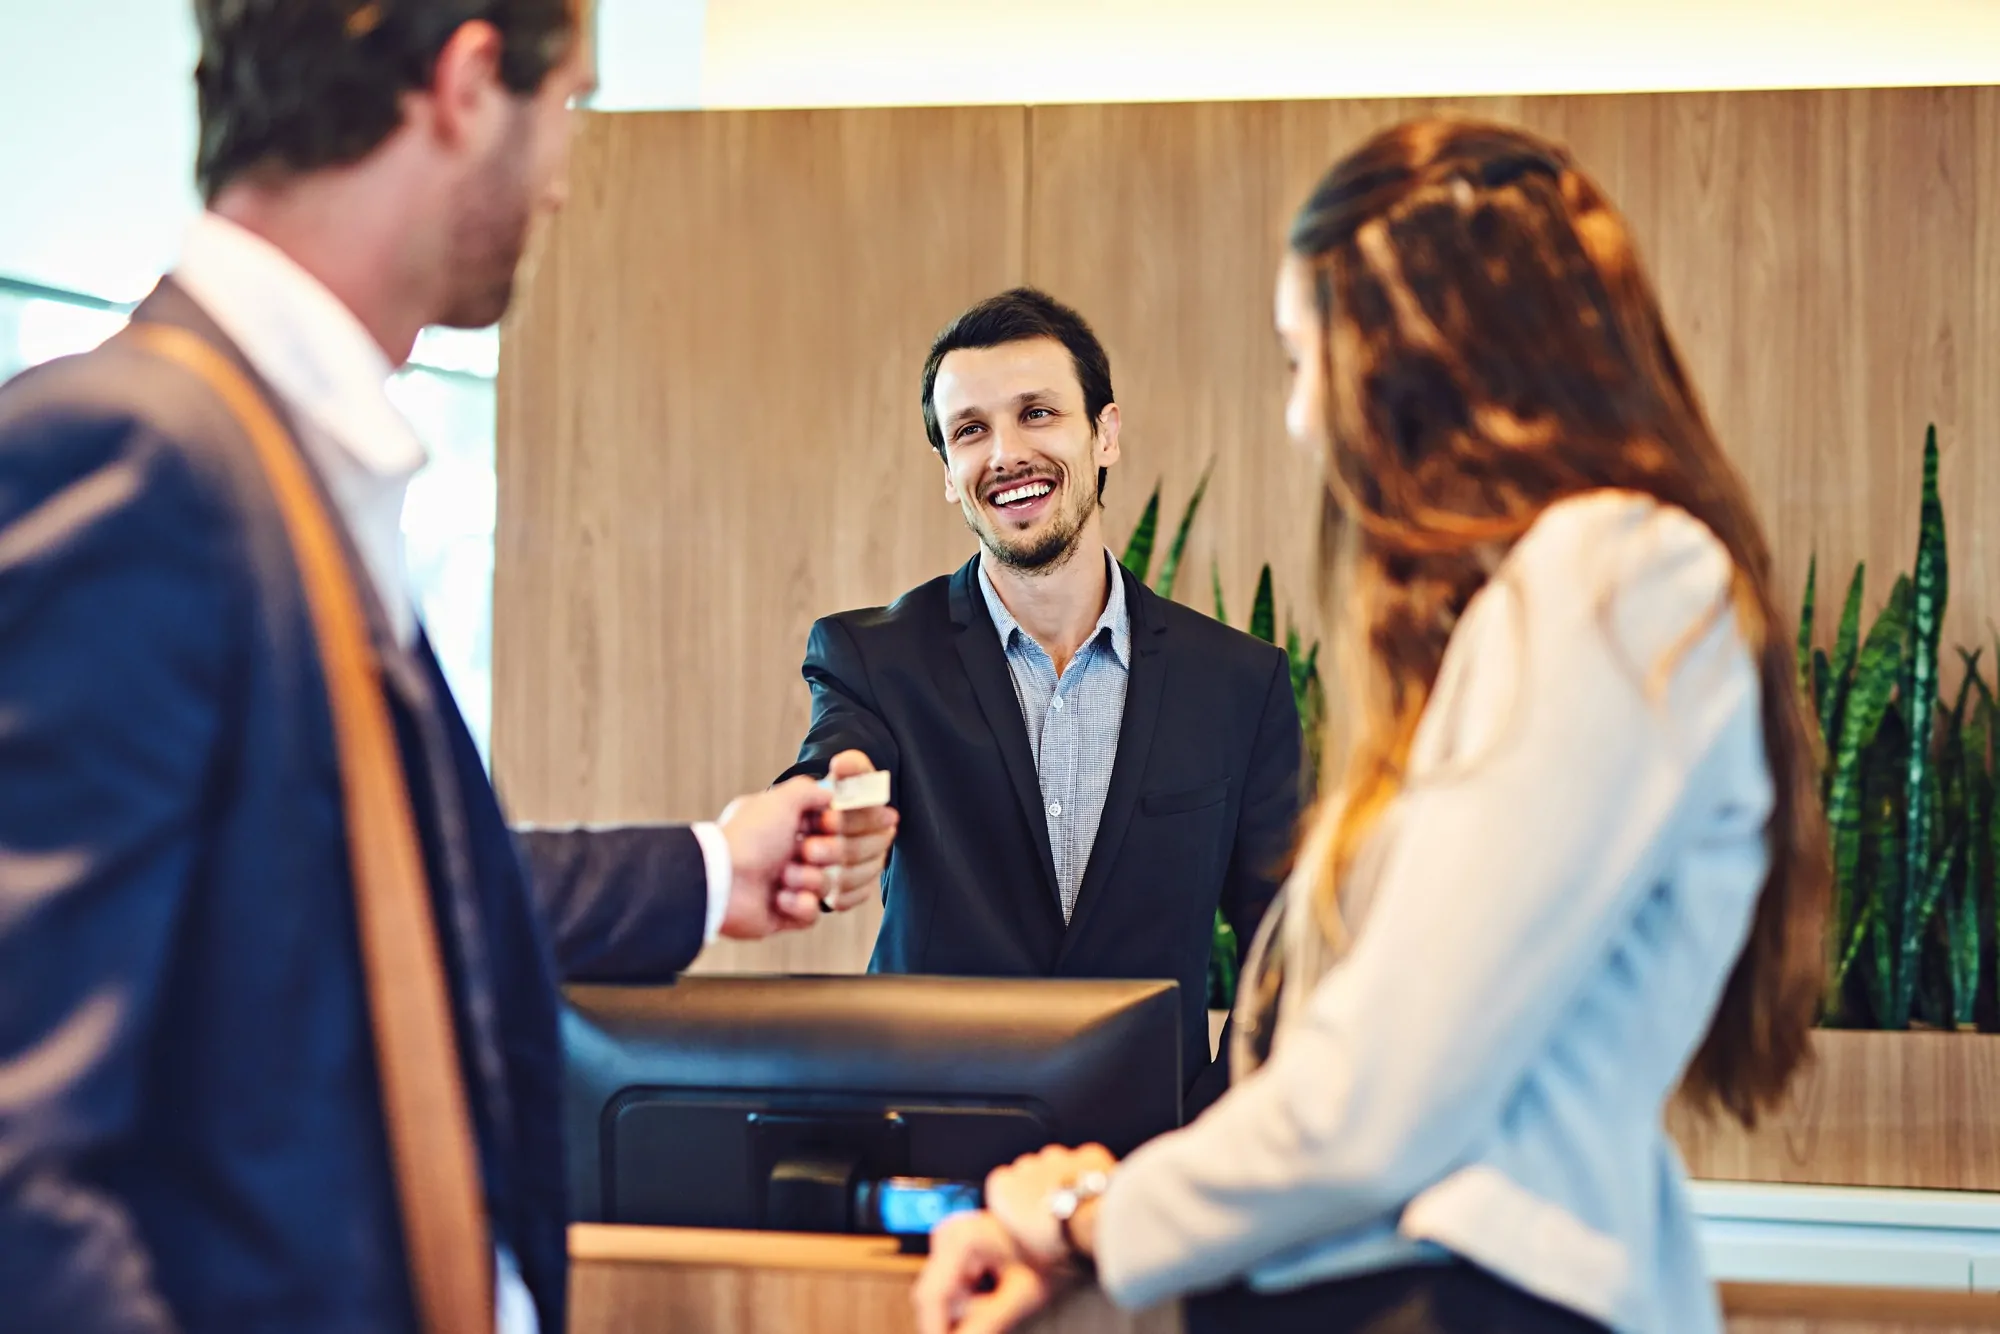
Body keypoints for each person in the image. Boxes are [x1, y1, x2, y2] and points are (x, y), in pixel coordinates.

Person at [0, 4, 895, 1332]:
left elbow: (400, 900)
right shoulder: (134, 455)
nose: (564, 179)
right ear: (469, 84)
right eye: (568, 106)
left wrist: (718, 868)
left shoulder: (289, 463)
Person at [913, 118, 1829, 1334]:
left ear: (1423, 341)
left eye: (1305, 358)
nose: (1301, 416)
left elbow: (1384, 1090)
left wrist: (1092, 1212)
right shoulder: (1537, 600)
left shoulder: (1613, 574)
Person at [782, 287, 1304, 1113]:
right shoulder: (873, 660)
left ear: (1105, 434)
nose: (1006, 454)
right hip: (932, 1144)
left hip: (1150, 1160)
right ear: (948, 475)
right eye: (971, 431)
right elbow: (833, 769)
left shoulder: (1240, 685)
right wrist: (824, 812)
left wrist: (1208, 1125)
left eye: (1037, 414)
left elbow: (1289, 950)